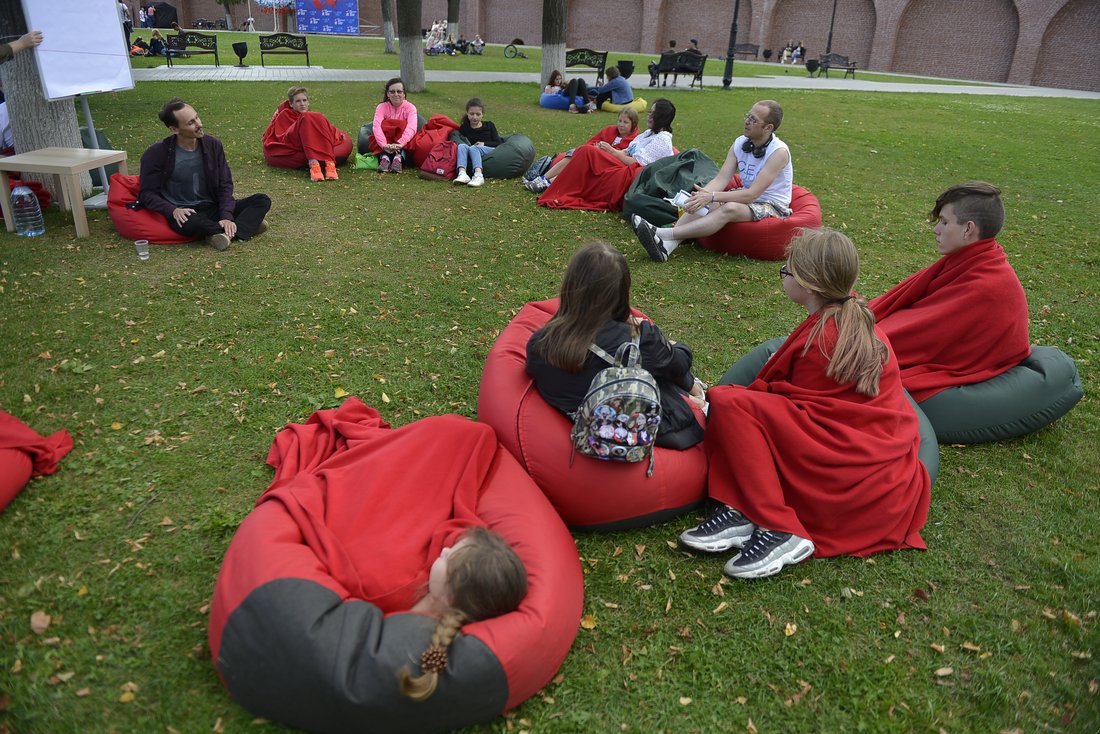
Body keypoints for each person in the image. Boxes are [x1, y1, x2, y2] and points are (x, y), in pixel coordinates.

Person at [681, 228, 931, 579]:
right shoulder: (854, 318)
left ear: (809, 284)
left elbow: (800, 409)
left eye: (787, 270)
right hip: (874, 450)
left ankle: (779, 526)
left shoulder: (825, 337)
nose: (783, 275)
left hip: (847, 458)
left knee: (732, 404)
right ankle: (743, 510)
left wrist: (722, 400)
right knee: (743, 403)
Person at [526, 242, 706, 449]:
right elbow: (681, 362)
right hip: (649, 434)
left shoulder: (539, 344)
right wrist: (659, 337)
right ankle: (698, 396)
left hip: (585, 425)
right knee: (663, 365)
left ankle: (696, 395)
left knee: (655, 364)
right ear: (622, 291)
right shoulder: (638, 339)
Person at [868, 182, 1030, 402]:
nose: (936, 229)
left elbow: (925, 334)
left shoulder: (986, 285)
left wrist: (858, 342)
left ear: (968, 229)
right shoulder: (974, 260)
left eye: (944, 222)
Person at [632, 99, 792, 262]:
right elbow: (722, 178)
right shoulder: (740, 143)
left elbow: (752, 194)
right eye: (748, 116)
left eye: (753, 119)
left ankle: (661, 233)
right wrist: (702, 196)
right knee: (703, 202)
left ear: (768, 128)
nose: (746, 121)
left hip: (772, 205)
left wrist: (713, 196)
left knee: (729, 208)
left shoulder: (778, 152)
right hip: (748, 199)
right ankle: (666, 247)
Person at [398, 526, 528, 700]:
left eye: (447, 557)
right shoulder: (447, 600)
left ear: (451, 593)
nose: (444, 550)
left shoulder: (415, 628)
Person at [139, 98, 271, 251]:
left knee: (262, 200)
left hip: (212, 207)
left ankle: (221, 232)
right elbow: (146, 193)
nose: (199, 124)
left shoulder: (213, 145)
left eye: (197, 117)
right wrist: (172, 210)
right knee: (193, 222)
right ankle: (244, 227)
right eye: (191, 123)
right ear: (174, 129)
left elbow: (225, 184)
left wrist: (226, 216)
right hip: (185, 213)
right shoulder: (156, 153)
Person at [538, 99, 676, 212]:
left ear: (660, 117)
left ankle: (552, 183)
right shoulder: (648, 133)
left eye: (652, 113)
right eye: (650, 112)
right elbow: (627, 151)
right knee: (585, 151)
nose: (649, 115)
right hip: (622, 162)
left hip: (630, 171)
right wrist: (606, 151)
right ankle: (548, 180)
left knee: (586, 152)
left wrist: (612, 152)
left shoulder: (663, 139)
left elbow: (637, 162)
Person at [524, 108, 639, 193]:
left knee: (580, 161)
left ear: (633, 124)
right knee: (574, 153)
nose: (621, 125)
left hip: (605, 164)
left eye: (625, 122)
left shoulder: (634, 141)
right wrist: (596, 147)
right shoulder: (609, 130)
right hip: (591, 154)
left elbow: (622, 158)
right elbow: (590, 143)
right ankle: (543, 179)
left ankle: (549, 182)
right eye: (619, 121)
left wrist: (607, 151)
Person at [263, 86, 352, 181]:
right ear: (291, 104)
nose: (302, 104)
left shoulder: (313, 117)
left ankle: (329, 163)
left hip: (309, 134)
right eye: (298, 101)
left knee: (316, 116)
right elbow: (283, 136)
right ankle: (314, 164)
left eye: (304, 100)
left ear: (308, 102)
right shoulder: (285, 115)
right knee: (306, 118)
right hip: (293, 142)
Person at [368, 77, 418, 173]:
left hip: (402, 143)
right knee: (384, 126)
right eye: (392, 92)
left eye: (399, 91)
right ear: (388, 94)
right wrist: (384, 145)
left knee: (403, 125)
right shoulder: (381, 107)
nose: (396, 94)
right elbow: (376, 126)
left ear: (404, 94)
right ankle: (385, 157)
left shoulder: (410, 108)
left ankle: (398, 158)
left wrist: (400, 144)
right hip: (386, 142)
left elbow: (412, 127)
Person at [453, 98, 501, 188]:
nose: (474, 117)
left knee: (474, 148)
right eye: (471, 114)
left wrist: (484, 144)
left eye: (478, 114)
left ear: (482, 115)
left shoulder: (489, 125)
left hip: (489, 150)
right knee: (462, 146)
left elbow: (498, 142)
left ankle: (478, 175)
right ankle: (462, 174)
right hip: (473, 151)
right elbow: (462, 141)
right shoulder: (464, 128)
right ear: (467, 114)